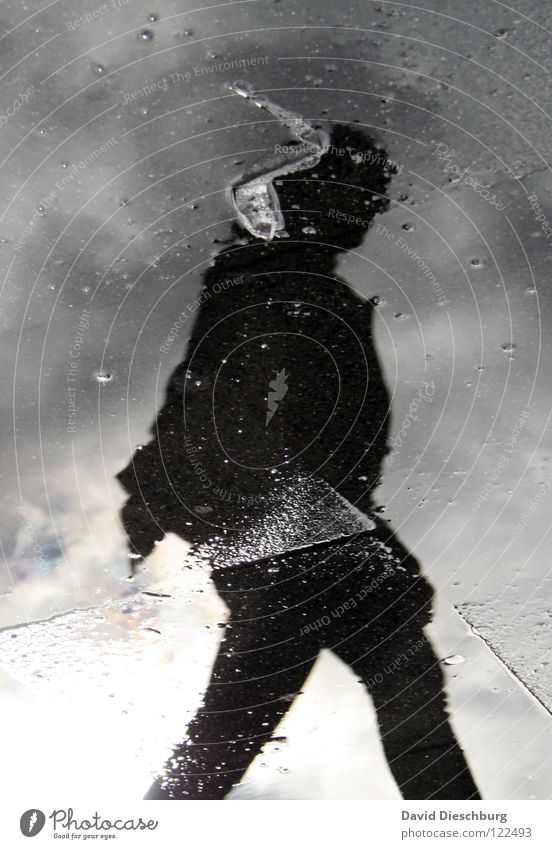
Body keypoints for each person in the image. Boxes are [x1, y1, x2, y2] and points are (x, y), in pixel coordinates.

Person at [117, 122, 480, 800]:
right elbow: (225, 426)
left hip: (299, 548)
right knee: (235, 740)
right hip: (302, 552)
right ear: (302, 192)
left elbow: (213, 422)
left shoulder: (280, 285)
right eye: (358, 189)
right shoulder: (277, 290)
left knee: (228, 742)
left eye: (373, 193)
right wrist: (356, 553)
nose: (372, 208)